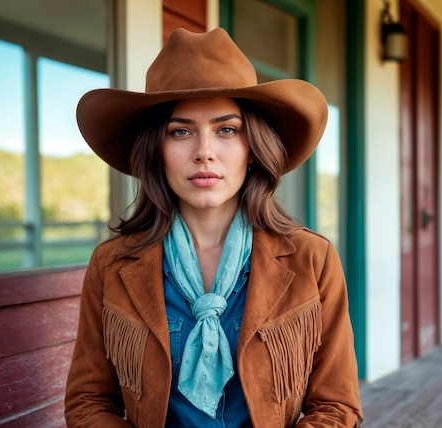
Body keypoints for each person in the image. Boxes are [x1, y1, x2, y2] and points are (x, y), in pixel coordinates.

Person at [65, 27, 363, 427]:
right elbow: (88, 402)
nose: (204, 152)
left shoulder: (312, 259)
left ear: (253, 149)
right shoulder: (112, 264)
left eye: (226, 129)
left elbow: (337, 407)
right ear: (157, 149)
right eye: (181, 131)